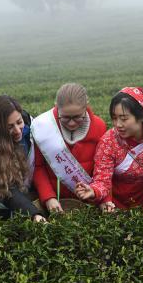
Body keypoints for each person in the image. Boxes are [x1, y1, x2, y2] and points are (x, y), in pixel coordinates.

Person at [75, 87, 143, 210]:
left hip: (142, 200)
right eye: (114, 118)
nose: (118, 124)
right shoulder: (108, 142)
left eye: (124, 119)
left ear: (142, 116)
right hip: (112, 204)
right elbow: (103, 180)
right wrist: (93, 191)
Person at [31, 83, 106, 213]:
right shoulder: (44, 127)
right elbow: (38, 167)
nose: (71, 123)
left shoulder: (99, 127)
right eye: (65, 117)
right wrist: (48, 197)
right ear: (56, 107)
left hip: (88, 201)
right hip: (54, 202)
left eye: (77, 117)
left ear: (86, 107)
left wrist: (99, 196)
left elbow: (104, 168)